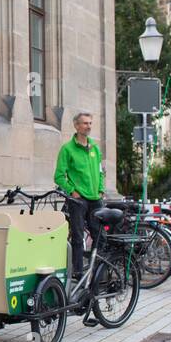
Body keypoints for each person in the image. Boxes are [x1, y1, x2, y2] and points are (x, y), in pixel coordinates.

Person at [55, 111, 105, 280]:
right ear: (76, 126)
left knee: (100, 236)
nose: (88, 126)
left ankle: (99, 271)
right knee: (77, 237)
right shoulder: (67, 149)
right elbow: (59, 176)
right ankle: (78, 273)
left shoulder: (95, 148)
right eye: (85, 123)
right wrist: (72, 191)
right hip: (78, 200)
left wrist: (101, 189)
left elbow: (101, 172)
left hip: (96, 199)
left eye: (90, 123)